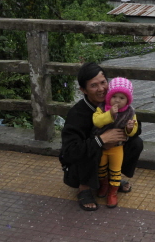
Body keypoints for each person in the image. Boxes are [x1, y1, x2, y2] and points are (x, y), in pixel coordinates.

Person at [59, 63, 144, 211]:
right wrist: (101, 140)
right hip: (77, 166)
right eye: (93, 85)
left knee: (136, 143)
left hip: (111, 153)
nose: (101, 89)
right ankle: (84, 187)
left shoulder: (116, 101)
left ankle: (112, 179)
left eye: (103, 82)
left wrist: (124, 132)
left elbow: (137, 129)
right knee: (93, 146)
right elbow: (70, 151)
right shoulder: (77, 113)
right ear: (83, 90)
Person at [93, 77, 139, 208]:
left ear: (128, 100)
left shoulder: (130, 112)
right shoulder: (102, 108)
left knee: (115, 169)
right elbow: (97, 121)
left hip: (117, 147)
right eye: (114, 96)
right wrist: (109, 114)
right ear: (109, 96)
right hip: (102, 145)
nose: (117, 100)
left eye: (122, 98)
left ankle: (112, 193)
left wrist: (129, 128)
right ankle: (104, 185)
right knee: (101, 167)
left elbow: (133, 131)